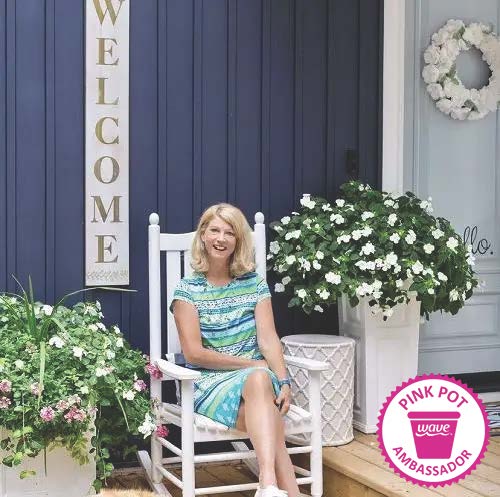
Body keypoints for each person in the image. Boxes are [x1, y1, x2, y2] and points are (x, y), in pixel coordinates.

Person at [170, 203, 300, 497]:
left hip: (257, 386)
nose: (221, 238)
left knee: (264, 402)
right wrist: (253, 366)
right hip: (208, 382)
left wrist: (284, 380)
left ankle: (269, 486)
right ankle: (280, 488)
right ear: (203, 235)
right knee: (266, 406)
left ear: (238, 240)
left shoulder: (254, 284)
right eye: (215, 230)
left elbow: (268, 339)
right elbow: (194, 354)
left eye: (230, 232)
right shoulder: (187, 291)